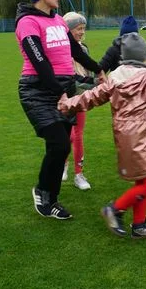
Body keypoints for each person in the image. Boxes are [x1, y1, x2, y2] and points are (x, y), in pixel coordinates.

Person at [58, 33, 146, 238]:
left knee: (142, 180)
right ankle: (115, 209)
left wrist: (67, 104)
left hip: (123, 137)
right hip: (142, 137)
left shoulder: (114, 78)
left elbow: (91, 97)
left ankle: (139, 225)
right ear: (144, 57)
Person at [15, 0, 101, 219]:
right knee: (59, 143)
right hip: (38, 89)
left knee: (61, 148)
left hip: (63, 87)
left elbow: (75, 51)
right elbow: (39, 62)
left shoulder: (59, 22)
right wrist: (60, 93)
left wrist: (98, 69)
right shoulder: (27, 22)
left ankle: (51, 201)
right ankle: (42, 192)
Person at [60, 12, 94, 191]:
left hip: (80, 97)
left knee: (78, 134)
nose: (82, 32)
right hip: (63, 98)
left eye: (83, 28)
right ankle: (63, 164)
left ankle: (78, 174)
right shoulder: (60, 49)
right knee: (66, 135)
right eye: (78, 29)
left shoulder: (84, 48)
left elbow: (89, 71)